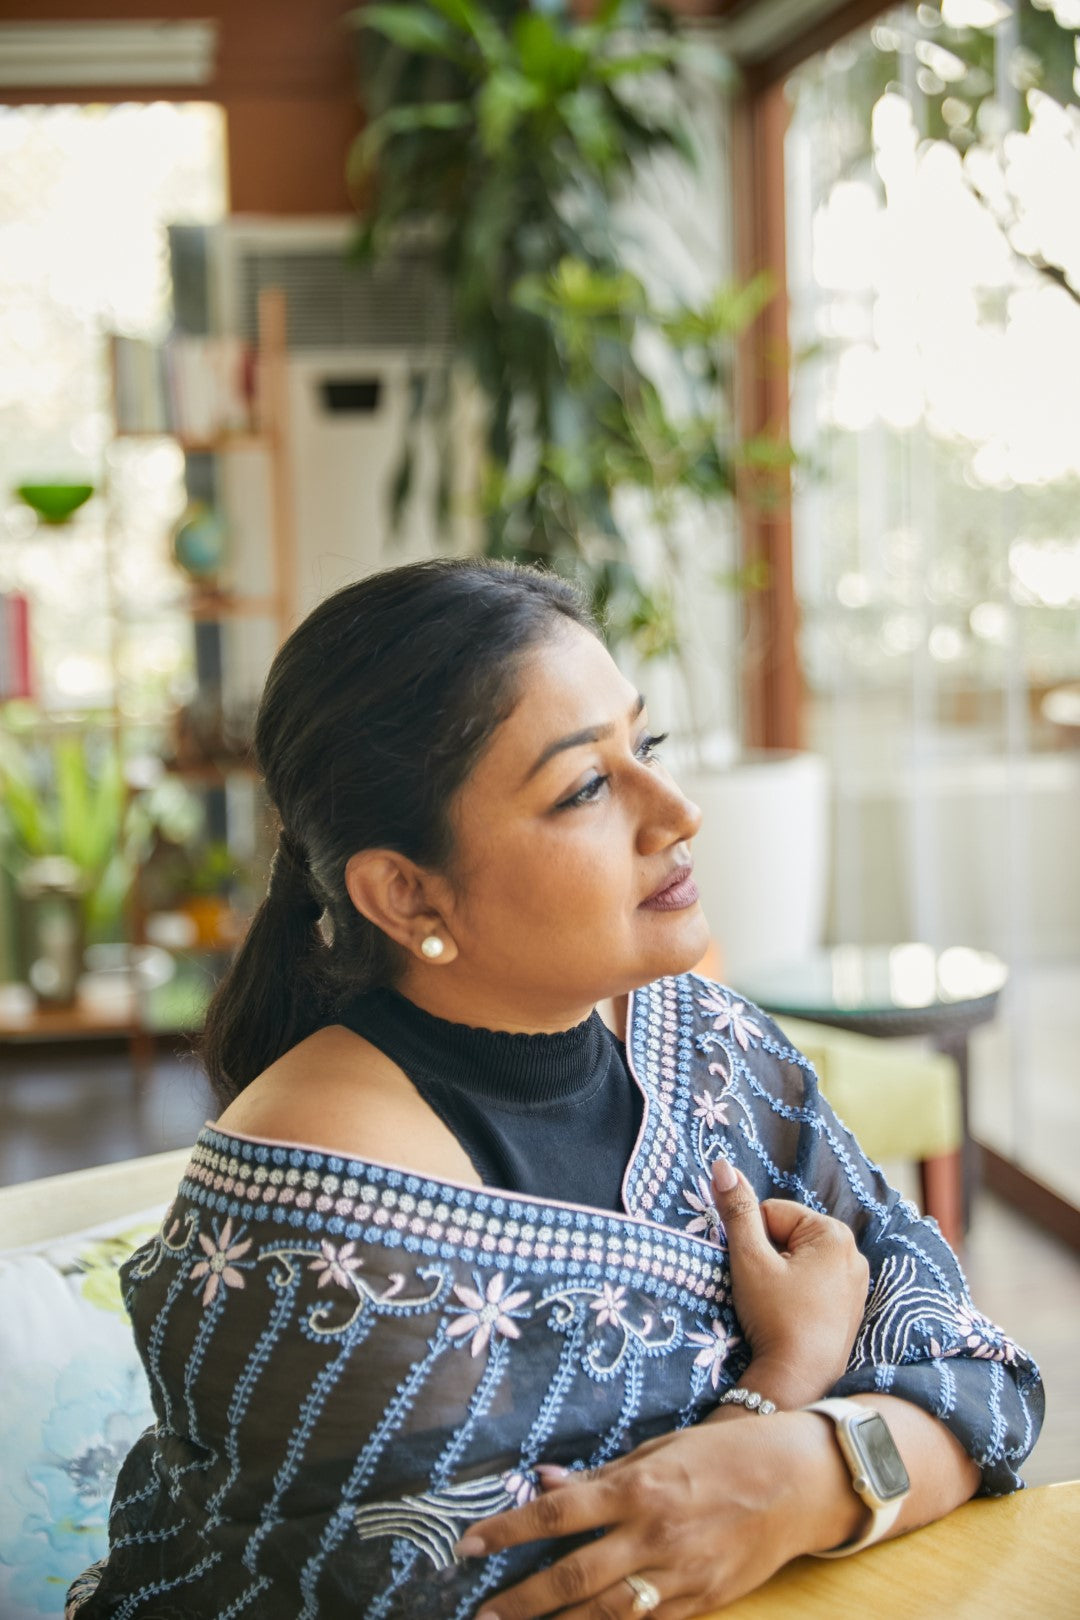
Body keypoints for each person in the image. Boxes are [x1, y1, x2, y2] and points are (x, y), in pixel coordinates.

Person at [68, 559, 1042, 1620]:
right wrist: (792, 1381)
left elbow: (979, 1375)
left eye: (648, 746)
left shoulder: (703, 1042)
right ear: (406, 891)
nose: (677, 811)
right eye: (585, 787)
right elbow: (475, 1591)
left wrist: (804, 1478)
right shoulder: (323, 1221)